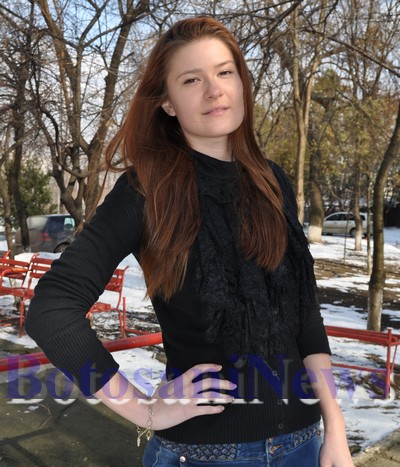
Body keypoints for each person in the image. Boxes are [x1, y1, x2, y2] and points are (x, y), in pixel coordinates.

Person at [26, 16, 354, 466]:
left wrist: (335, 427)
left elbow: (305, 314)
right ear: (167, 102)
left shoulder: (272, 180)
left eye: (225, 72)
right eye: (191, 80)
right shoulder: (146, 191)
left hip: (304, 446)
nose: (214, 90)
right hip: (206, 454)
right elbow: (51, 310)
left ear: (241, 82)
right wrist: (144, 410)